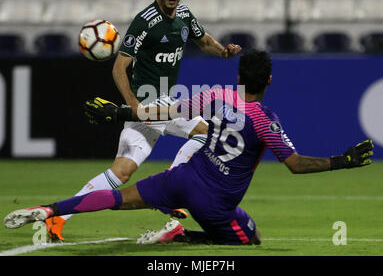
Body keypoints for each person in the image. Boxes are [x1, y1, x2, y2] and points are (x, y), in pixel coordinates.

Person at [5, 49, 374, 246]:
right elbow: (295, 164)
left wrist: (119, 112)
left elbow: (163, 112)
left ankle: (50, 207)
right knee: (252, 237)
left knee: (118, 197)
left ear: (239, 76)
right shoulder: (267, 121)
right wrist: (343, 160)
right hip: (212, 204)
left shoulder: (217, 95)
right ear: (270, 80)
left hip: (180, 180)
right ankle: (181, 234)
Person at [45, 0, 242, 241]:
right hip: (150, 103)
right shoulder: (145, 21)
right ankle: (172, 187)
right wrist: (134, 107)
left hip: (165, 103)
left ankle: (58, 218)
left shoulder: (184, 15)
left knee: (121, 173)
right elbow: (118, 68)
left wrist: (223, 52)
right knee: (206, 134)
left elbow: (204, 41)